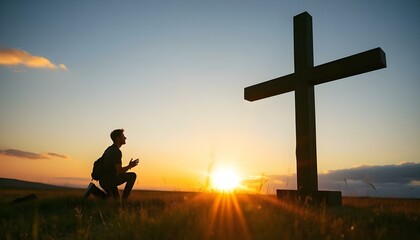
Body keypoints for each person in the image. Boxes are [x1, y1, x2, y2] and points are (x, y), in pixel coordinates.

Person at [99, 129, 139, 199]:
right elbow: (119, 171)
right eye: (123, 136)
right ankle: (124, 201)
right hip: (109, 181)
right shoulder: (116, 151)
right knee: (132, 176)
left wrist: (128, 166)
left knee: (115, 200)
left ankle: (93, 190)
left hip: (104, 181)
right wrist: (130, 166)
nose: (125, 138)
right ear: (118, 138)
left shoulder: (109, 149)